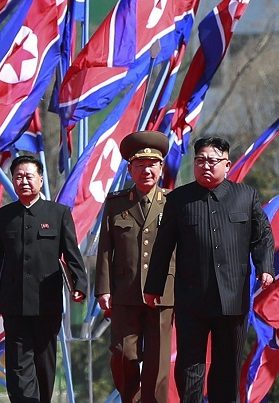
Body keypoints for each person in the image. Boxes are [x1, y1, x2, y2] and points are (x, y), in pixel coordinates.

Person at [144, 137, 275, 402]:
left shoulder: (245, 196)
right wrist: (153, 286)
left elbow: (262, 236)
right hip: (192, 297)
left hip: (232, 297)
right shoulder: (179, 200)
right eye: (200, 160)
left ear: (227, 164)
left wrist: (265, 268)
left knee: (227, 366)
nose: (205, 166)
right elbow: (163, 245)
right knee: (189, 365)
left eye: (212, 161)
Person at [0, 154, 88, 403]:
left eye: (29, 176)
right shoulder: (3, 217)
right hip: (14, 303)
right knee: (18, 367)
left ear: (40, 180)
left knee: (44, 363)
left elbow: (71, 254)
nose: (24, 181)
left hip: (47, 302)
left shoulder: (58, 214)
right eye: (18, 177)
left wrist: (79, 284)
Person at [95, 130, 174, 403]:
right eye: (140, 165)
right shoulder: (116, 204)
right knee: (123, 354)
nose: (146, 171)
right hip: (125, 292)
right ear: (130, 170)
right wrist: (103, 289)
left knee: (157, 361)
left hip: (164, 293)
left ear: (161, 169)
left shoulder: (174, 203)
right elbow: (105, 249)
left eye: (152, 165)